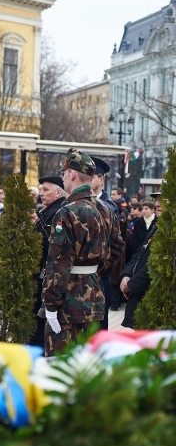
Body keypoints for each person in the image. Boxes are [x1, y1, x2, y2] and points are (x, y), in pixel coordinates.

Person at [40, 149, 111, 356]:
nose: (62, 177)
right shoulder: (104, 209)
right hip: (94, 296)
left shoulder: (67, 212)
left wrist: (51, 304)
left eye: (64, 172)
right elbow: (115, 249)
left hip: (68, 302)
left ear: (72, 174)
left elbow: (58, 262)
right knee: (87, 367)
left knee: (60, 368)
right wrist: (94, 271)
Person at [29, 175, 66, 347]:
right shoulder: (47, 210)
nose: (41, 193)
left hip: (47, 271)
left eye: (46, 190)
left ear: (58, 193)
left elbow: (51, 244)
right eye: (41, 189)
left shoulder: (59, 212)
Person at [89, 156, 124, 331]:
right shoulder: (80, 203)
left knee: (99, 327)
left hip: (100, 276)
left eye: (92, 176)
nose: (88, 179)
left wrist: (101, 268)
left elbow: (115, 246)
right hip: (80, 279)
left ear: (101, 179)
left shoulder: (110, 207)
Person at [120, 194, 161, 328]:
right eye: (156, 200)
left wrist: (131, 285)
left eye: (164, 200)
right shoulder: (158, 227)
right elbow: (139, 254)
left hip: (155, 301)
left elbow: (156, 265)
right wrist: (126, 275)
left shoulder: (169, 230)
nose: (158, 204)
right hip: (140, 296)